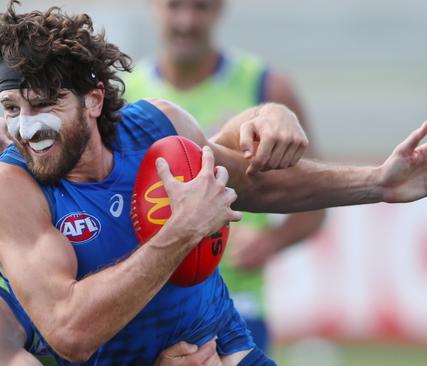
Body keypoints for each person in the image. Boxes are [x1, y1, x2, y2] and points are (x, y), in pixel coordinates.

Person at [0, 1, 427, 365]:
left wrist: (378, 182)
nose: (26, 128)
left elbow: (257, 185)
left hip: (226, 351)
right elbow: (70, 330)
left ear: (94, 100)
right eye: (14, 109)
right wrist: (180, 231)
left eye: (46, 105)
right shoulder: (7, 186)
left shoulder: (155, 128)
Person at [0, 93, 224, 366]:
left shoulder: (96, 207)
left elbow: (222, 157)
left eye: (12, 131)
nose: (22, 145)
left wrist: (265, 118)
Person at [123, 0, 325, 350]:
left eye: (200, 7)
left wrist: (272, 242)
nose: (186, 21)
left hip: (239, 306)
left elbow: (315, 196)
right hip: (153, 304)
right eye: (174, 7)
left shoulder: (264, 87)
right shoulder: (126, 93)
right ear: (153, 7)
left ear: (219, 10)